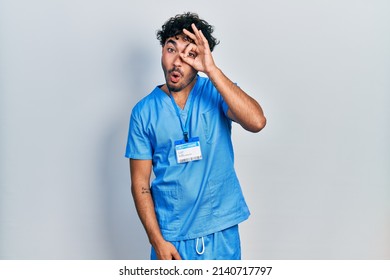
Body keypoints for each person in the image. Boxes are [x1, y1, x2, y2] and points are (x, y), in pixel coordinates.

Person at [125, 12, 266, 260]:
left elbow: (256, 122)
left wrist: (211, 70)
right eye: (171, 49)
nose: (177, 62)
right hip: (172, 238)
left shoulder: (216, 91)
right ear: (162, 51)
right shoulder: (143, 112)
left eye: (190, 54)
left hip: (220, 231)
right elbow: (140, 184)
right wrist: (157, 241)